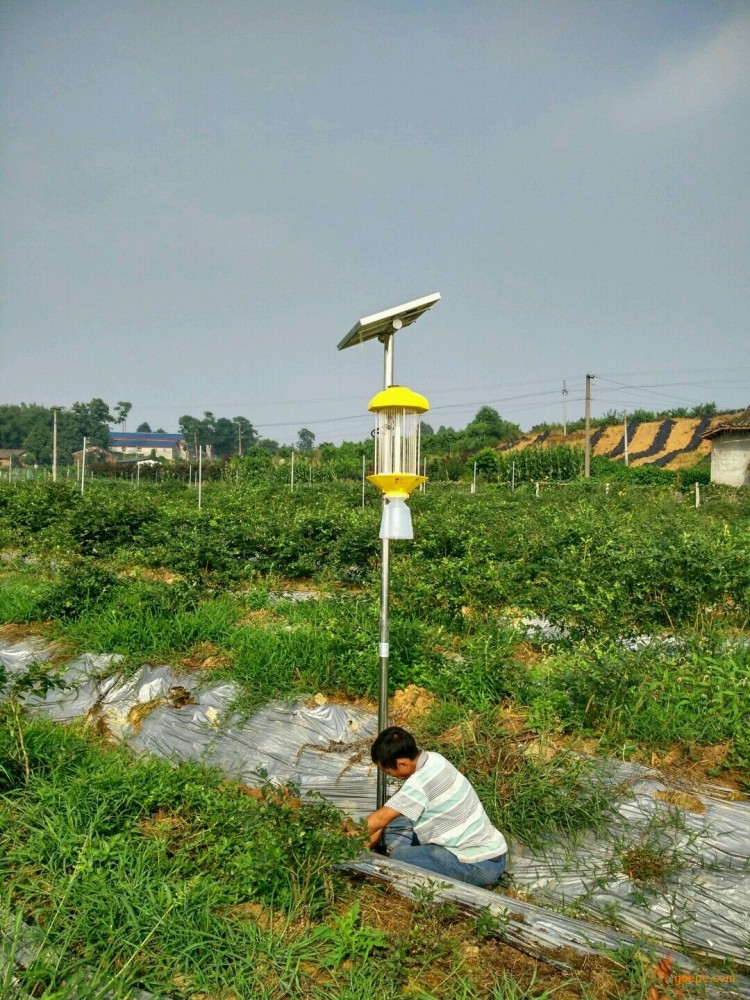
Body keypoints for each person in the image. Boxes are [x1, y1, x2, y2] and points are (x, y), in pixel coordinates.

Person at [363, 726, 508, 888]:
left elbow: (380, 819)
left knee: (399, 856)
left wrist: (347, 840)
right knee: (397, 826)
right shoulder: (434, 759)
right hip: (494, 852)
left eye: (388, 772)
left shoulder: (418, 783)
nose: (390, 776)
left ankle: (474, 883)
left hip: (479, 865)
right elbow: (391, 811)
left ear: (403, 764)